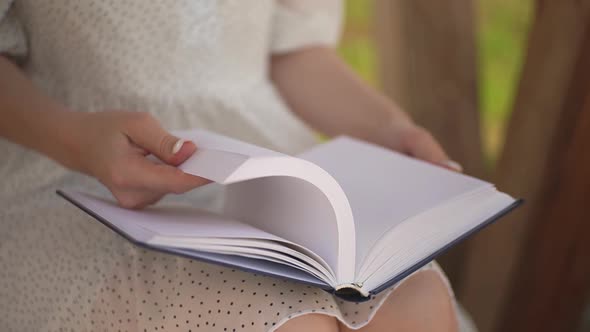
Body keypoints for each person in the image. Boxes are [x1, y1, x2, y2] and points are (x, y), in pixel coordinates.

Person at [0, 1, 464, 331]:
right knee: (285, 323)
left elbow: (294, 50)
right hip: (65, 164)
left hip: (270, 160)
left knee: (414, 303)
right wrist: (73, 138)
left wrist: (391, 130)